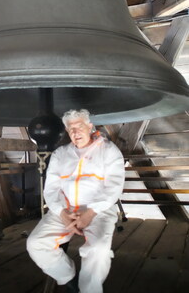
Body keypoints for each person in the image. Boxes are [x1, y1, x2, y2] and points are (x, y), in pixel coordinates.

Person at [27, 109, 125, 293]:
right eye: (71, 129)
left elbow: (114, 186)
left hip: (99, 211)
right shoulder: (60, 154)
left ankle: (89, 290)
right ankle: (70, 281)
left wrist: (91, 212)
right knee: (36, 243)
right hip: (66, 209)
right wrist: (61, 212)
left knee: (98, 250)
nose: (75, 132)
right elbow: (51, 188)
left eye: (79, 127)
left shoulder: (109, 151)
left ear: (89, 126)